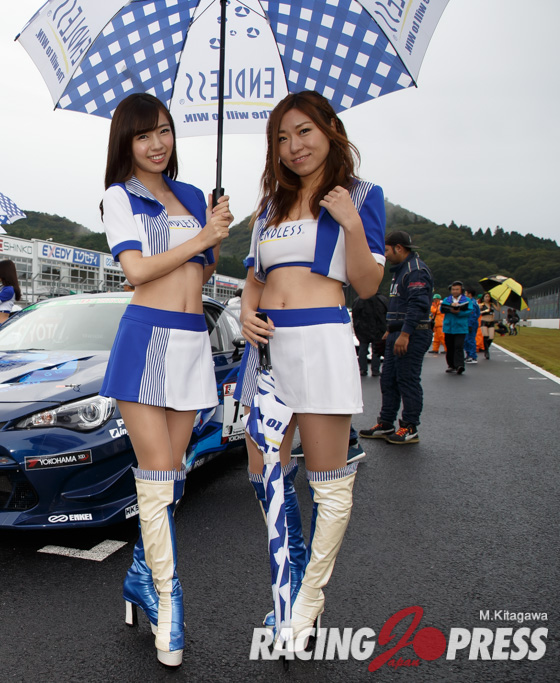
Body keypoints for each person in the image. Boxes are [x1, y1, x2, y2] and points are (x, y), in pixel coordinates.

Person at [237, 91, 385, 651]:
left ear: (329, 131)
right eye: (282, 137)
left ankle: (309, 599)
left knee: (329, 482)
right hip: (267, 350)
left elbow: (367, 284)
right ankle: (293, 571)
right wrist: (246, 313)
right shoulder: (270, 206)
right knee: (263, 472)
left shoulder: (361, 195)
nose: (293, 146)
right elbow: (254, 278)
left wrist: (350, 224)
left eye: (303, 131)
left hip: (321, 341)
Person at [100, 92, 230, 667]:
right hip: (146, 339)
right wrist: (200, 237)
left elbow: (204, 271)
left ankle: (138, 576)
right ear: (126, 143)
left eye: (164, 131)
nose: (157, 144)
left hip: (191, 341)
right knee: (156, 477)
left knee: (170, 480)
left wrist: (216, 232)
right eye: (143, 135)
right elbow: (136, 271)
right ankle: (168, 601)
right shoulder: (118, 196)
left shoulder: (195, 196)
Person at [359, 231, 433, 445]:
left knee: (407, 379)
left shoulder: (415, 270)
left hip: (413, 333)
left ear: (399, 248)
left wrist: (406, 333)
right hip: (396, 332)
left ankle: (410, 426)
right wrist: (391, 329)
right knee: (388, 379)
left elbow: (418, 305)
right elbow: (399, 304)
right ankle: (386, 422)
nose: (385, 255)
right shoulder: (400, 270)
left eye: (387, 250)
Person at [439, 281, 473, 375]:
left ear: (461, 290)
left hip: (460, 327)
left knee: (458, 346)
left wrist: (459, 312)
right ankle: (451, 365)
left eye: (457, 289)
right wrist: (451, 307)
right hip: (449, 327)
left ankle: (459, 365)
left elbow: (469, 311)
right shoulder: (447, 300)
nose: (455, 291)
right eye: (453, 289)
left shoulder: (466, 300)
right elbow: (442, 309)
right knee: (449, 347)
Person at [351, 292, 388, 377]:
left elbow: (355, 316)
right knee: (376, 350)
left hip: (363, 329)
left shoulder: (358, 300)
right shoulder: (381, 300)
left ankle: (362, 369)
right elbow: (386, 314)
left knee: (363, 349)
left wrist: (357, 328)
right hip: (378, 329)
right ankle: (375, 370)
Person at [463, 287, 481, 364]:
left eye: (466, 293)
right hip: (467, 323)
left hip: (471, 324)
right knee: (466, 340)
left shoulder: (472, 303)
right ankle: (468, 355)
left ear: (469, 294)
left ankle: (473, 356)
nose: (464, 295)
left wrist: (470, 324)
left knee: (470, 340)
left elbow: (473, 315)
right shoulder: (469, 302)